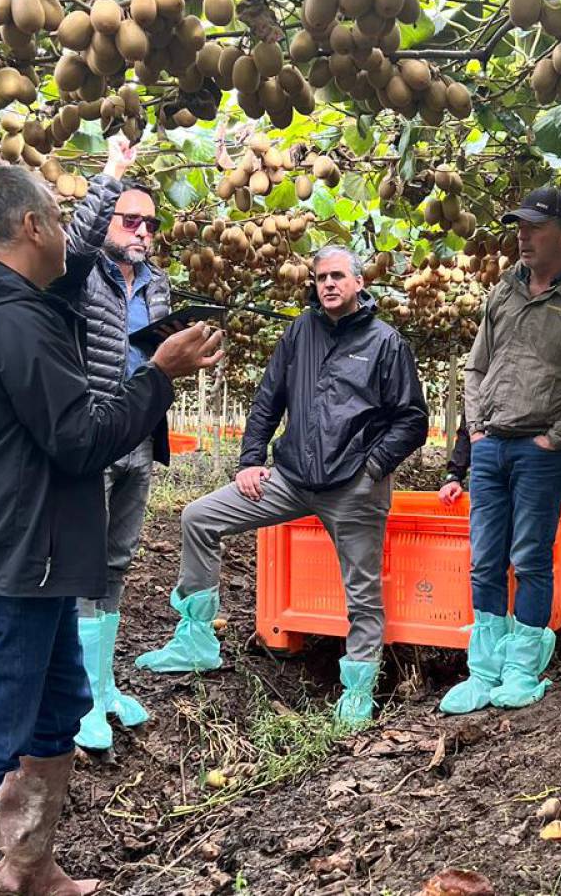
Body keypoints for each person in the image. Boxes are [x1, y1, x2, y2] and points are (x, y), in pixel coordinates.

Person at [0, 166, 224, 895]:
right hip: (4, 559)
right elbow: (78, 437)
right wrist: (159, 375)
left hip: (24, 552)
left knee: (54, 712)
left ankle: (28, 871)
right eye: (56, 216)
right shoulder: (10, 319)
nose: (70, 234)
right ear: (30, 227)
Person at [135, 245, 428, 727]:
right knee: (199, 518)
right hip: (290, 478)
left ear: (359, 283)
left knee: (362, 590)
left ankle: (357, 691)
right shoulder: (300, 333)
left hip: (353, 486)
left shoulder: (385, 342)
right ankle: (196, 640)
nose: (328, 284)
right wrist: (250, 460)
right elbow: (268, 400)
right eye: (320, 278)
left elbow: (412, 420)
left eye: (337, 276)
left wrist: (372, 467)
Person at [441, 187, 561, 716]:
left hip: (543, 448)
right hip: (492, 445)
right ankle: (484, 667)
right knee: (484, 559)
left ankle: (521, 664)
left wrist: (557, 438)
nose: (522, 234)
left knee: (531, 558)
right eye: (519, 225)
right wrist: (477, 430)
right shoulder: (503, 292)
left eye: (534, 226)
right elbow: (476, 366)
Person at [51, 136, 174, 751]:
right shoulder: (82, 275)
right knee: (84, 562)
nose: (143, 231)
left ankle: (102, 685)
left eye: (151, 223)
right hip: (95, 430)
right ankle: (79, 698)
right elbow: (71, 244)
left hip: (140, 437)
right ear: (109, 224)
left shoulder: (158, 285)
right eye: (131, 219)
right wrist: (111, 173)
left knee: (119, 560)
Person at [438, 411, 561, 614]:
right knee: (489, 556)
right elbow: (469, 427)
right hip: (496, 472)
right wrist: (454, 475)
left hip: (540, 464)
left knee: (536, 553)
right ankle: (492, 622)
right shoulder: (483, 394)